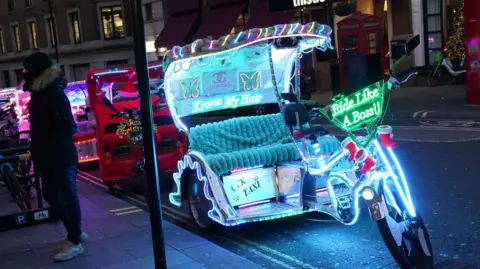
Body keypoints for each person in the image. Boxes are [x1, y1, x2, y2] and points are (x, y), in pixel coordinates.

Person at [22, 52, 87, 262]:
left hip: (60, 156)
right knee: (51, 194)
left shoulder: (54, 94)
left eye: (27, 69)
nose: (24, 74)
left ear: (37, 71)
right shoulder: (39, 95)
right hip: (46, 157)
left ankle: (75, 240)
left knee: (67, 196)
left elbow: (68, 126)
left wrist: (49, 146)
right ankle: (74, 231)